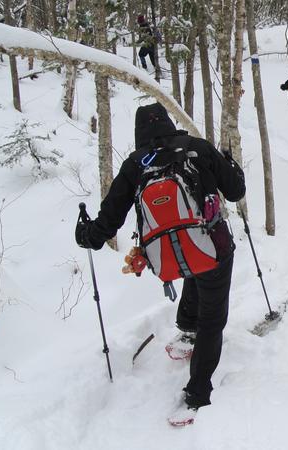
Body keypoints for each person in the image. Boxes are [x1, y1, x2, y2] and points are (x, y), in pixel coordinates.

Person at [75, 103, 245, 424]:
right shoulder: (197, 148)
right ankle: (197, 393)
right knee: (212, 315)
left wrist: (86, 234)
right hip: (214, 247)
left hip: (166, 257)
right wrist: (231, 164)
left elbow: (107, 224)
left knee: (190, 260)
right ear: (169, 123)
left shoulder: (135, 164)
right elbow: (236, 191)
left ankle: (187, 329)